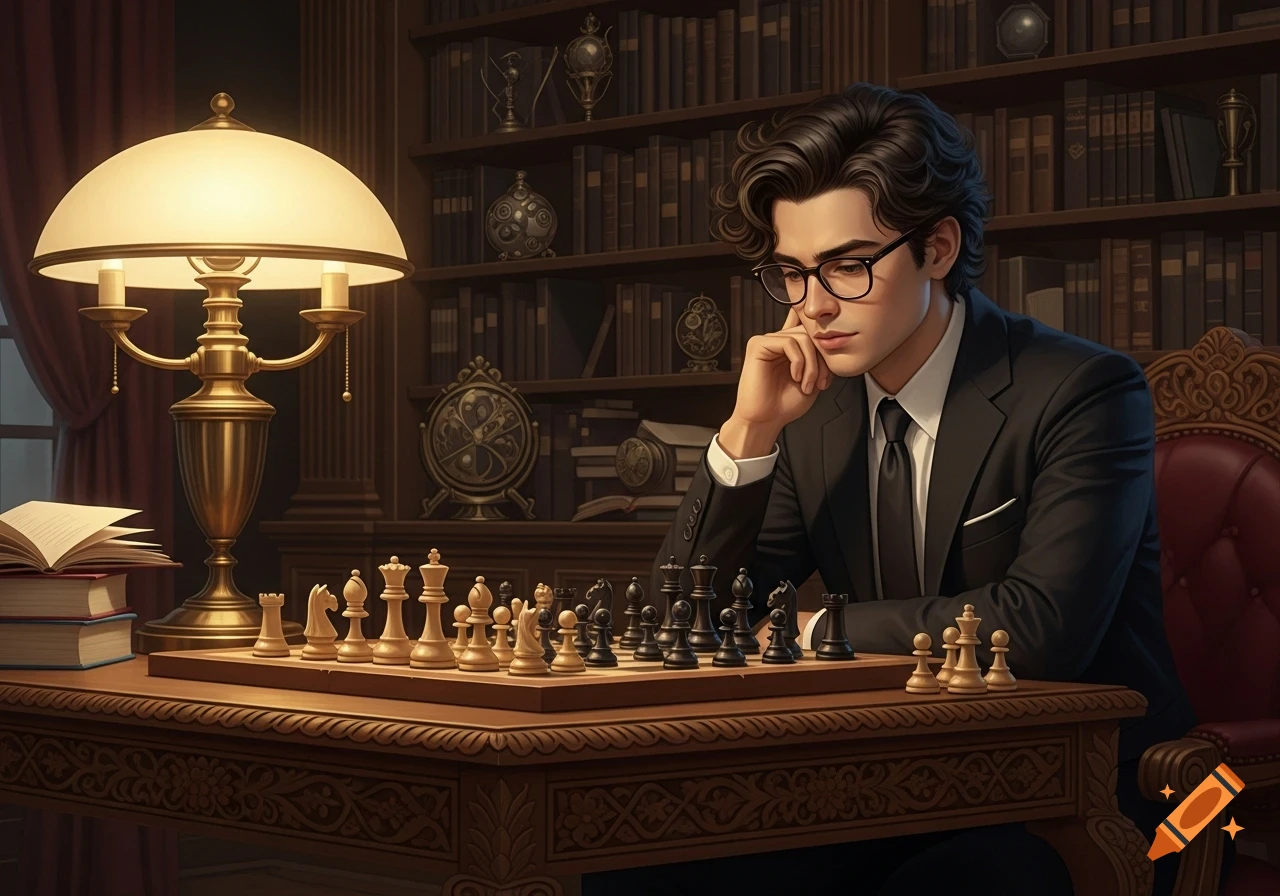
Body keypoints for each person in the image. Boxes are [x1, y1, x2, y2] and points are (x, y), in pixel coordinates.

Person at [582, 83, 1207, 896]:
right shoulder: (811, 410)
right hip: (894, 780)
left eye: (847, 267)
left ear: (938, 248)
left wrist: (807, 631)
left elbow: (1043, 631)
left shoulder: (1083, 390)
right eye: (792, 274)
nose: (812, 308)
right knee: (637, 875)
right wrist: (747, 436)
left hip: (1096, 791)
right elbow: (680, 623)